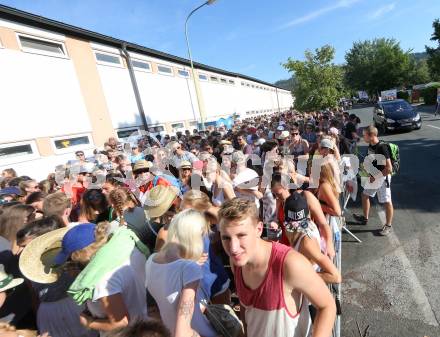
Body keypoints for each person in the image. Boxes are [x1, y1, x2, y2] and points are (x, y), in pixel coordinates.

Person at [218, 198, 336, 337]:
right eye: (226, 238)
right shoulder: (237, 262)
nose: (233, 248)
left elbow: (328, 306)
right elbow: (246, 308)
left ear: (259, 229)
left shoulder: (289, 263)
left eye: (241, 235)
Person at [145, 209, 218, 337]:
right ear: (195, 235)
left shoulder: (151, 261)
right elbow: (183, 333)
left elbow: (157, 309)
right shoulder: (188, 268)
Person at [283, 193, 341, 284]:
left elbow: (336, 277)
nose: (292, 227)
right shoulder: (304, 223)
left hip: (307, 291)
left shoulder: (307, 243)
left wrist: (301, 276)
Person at [354, 125, 394, 236]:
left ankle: (388, 225)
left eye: (364, 135)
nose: (363, 137)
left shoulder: (382, 147)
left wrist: (374, 177)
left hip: (382, 177)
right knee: (365, 195)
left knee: (386, 201)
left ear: (371, 135)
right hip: (374, 176)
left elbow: (389, 169)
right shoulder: (370, 146)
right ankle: (365, 218)